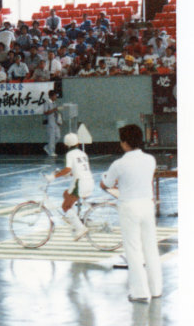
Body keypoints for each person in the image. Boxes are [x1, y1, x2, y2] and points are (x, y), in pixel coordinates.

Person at [100, 124, 162, 303]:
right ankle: (156, 289)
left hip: (129, 207)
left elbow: (107, 183)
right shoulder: (150, 159)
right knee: (150, 247)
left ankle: (140, 292)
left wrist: (104, 183)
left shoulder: (119, 164)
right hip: (147, 205)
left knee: (133, 249)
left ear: (125, 142)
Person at [46, 133, 93, 240]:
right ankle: (74, 219)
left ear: (66, 145)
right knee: (66, 194)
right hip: (89, 181)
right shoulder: (82, 153)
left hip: (79, 183)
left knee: (65, 207)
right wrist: (68, 174)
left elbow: (67, 168)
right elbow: (76, 170)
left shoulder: (70, 154)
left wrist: (54, 176)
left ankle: (80, 228)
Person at [42, 89, 61, 157]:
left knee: (58, 136)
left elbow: (56, 113)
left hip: (55, 122)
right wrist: (54, 110)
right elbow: (46, 112)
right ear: (51, 96)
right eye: (55, 96)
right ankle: (51, 151)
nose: (56, 97)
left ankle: (47, 146)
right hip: (50, 122)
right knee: (51, 137)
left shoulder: (54, 103)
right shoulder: (47, 103)